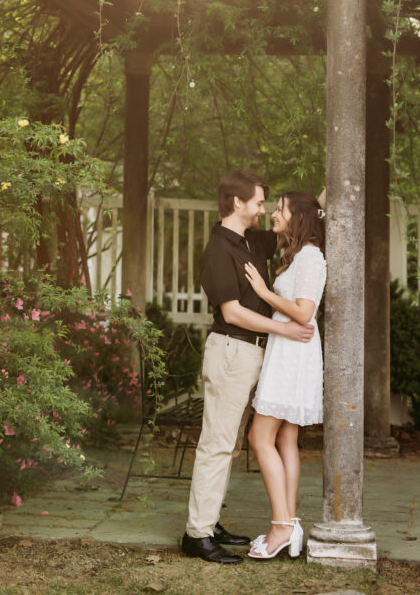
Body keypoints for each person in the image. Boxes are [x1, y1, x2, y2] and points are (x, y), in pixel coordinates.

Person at [181, 171, 315, 565]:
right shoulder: (218, 249)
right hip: (231, 351)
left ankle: (210, 519)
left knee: (231, 443)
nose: (263, 210)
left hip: (252, 354)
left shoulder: (250, 240)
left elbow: (305, 218)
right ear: (236, 203)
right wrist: (284, 328)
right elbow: (233, 312)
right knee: (217, 444)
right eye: (258, 202)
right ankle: (197, 534)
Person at [244, 191, 327, 561]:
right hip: (289, 350)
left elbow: (304, 312)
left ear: (298, 217)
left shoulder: (310, 256)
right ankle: (288, 524)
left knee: (259, 436)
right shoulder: (300, 254)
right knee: (285, 439)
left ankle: (282, 525)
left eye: (280, 209)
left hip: (294, 352)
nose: (273, 214)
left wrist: (262, 290)